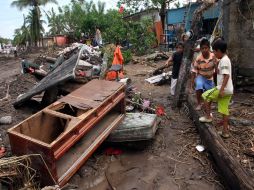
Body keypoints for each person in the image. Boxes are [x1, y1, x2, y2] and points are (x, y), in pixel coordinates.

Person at [199, 40, 233, 138]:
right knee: (224, 110)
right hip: (229, 90)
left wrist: (221, 89)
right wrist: (216, 63)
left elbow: (226, 76)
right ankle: (225, 132)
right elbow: (220, 72)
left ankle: (208, 116)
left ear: (218, 50)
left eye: (214, 51)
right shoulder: (223, 59)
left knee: (205, 95)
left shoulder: (224, 60)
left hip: (223, 88)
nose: (213, 53)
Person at [191, 38, 216, 110]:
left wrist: (216, 63)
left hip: (210, 78)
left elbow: (217, 68)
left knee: (210, 93)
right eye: (202, 48)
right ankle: (199, 103)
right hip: (201, 76)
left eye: (206, 48)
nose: (204, 50)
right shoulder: (198, 58)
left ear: (209, 48)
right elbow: (194, 70)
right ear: (200, 49)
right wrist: (192, 81)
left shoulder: (213, 56)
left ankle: (208, 105)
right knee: (199, 86)